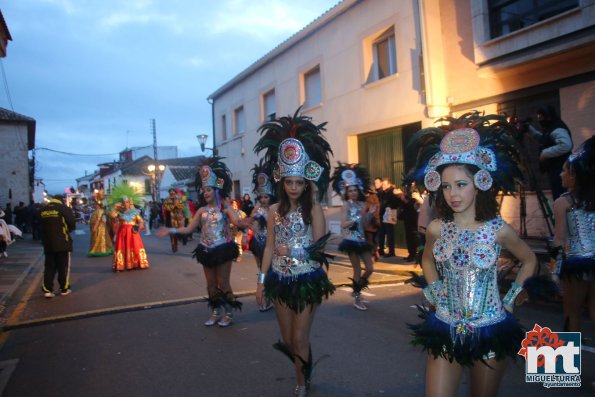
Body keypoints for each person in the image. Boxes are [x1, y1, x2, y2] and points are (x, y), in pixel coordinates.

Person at [408, 115, 537, 397]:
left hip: (490, 327)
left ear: (479, 182)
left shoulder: (498, 230)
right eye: (446, 186)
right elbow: (427, 260)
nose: (453, 193)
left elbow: (529, 259)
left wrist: (511, 299)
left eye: (461, 184)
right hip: (444, 326)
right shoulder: (437, 228)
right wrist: (434, 291)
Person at [254, 110, 334, 397]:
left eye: (299, 183)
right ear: (282, 182)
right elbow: (268, 248)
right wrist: (261, 282)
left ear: (307, 183)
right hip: (278, 278)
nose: (294, 188)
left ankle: (301, 382)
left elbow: (320, 247)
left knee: (300, 337)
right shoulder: (274, 210)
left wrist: (296, 250)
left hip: (306, 278)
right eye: (289, 183)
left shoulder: (314, 209)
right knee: (289, 340)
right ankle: (305, 366)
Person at [157, 156, 250, 327]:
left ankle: (228, 312)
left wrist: (247, 222)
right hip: (206, 249)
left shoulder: (226, 208)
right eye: (204, 190)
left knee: (224, 282)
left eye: (208, 189)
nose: (205, 193)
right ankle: (215, 312)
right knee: (211, 284)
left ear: (216, 190)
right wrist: (170, 229)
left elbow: (237, 222)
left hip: (223, 249)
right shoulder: (201, 210)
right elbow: (189, 229)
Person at [551, 136, 595, 334]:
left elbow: (559, 240)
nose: (560, 175)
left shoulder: (564, 202)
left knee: (572, 313)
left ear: (574, 175)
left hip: (577, 262)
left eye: (564, 171)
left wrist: (554, 271)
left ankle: (571, 363)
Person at [331, 162, 375, 310]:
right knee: (356, 270)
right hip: (350, 241)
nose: (353, 193)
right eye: (350, 190)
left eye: (355, 190)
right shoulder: (346, 206)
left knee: (369, 268)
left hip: (362, 240)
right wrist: (357, 218)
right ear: (346, 192)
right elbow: (343, 224)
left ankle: (357, 288)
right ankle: (357, 297)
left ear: (359, 191)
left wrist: (369, 215)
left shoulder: (363, 205)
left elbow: (365, 223)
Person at [247, 160, 277, 311]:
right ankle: (266, 296)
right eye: (261, 197)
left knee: (271, 270)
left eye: (266, 197)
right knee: (261, 269)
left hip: (270, 244)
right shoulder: (257, 209)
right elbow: (249, 222)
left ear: (271, 197)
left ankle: (270, 296)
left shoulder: (274, 209)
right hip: (258, 244)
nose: (263, 199)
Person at [528, 106, 573, 200]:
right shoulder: (550, 128)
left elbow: (566, 145)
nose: (540, 121)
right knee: (558, 196)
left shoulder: (557, 128)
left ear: (548, 117)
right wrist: (529, 128)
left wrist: (545, 153)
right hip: (554, 169)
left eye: (541, 118)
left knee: (561, 197)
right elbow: (544, 139)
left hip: (560, 169)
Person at [39, 194, 76, 298]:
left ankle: (47, 289)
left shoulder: (43, 210)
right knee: (63, 266)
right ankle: (64, 288)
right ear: (61, 200)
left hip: (48, 243)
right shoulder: (64, 209)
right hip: (62, 242)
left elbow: (39, 225)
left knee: (49, 266)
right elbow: (72, 224)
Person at [109, 185, 149, 272]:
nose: (125, 204)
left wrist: (139, 226)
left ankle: (135, 263)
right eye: (123, 202)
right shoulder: (119, 212)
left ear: (130, 202)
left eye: (127, 202)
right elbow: (112, 216)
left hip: (132, 232)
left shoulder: (135, 212)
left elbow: (141, 221)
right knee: (122, 247)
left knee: (135, 247)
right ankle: (120, 264)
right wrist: (115, 207)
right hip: (122, 232)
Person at [376, 177, 398, 257]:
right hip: (383, 214)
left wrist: (388, 205)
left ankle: (391, 251)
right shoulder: (383, 192)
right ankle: (381, 249)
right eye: (383, 184)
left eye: (384, 184)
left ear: (389, 184)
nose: (383, 186)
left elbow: (395, 202)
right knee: (382, 233)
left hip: (389, 214)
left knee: (389, 233)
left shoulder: (392, 191)